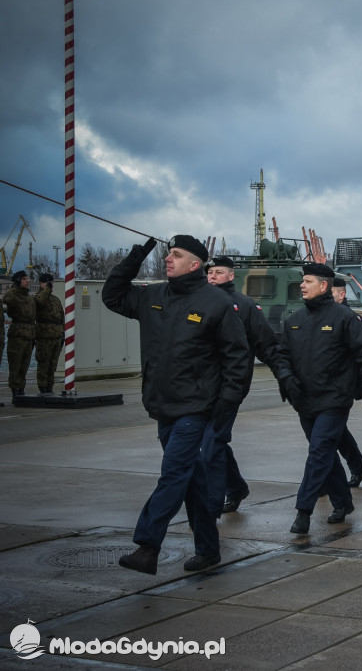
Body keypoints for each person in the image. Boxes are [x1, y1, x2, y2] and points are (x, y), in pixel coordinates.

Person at [102, 235, 249, 574]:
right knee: (192, 479)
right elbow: (112, 296)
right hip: (162, 404)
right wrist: (136, 257)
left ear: (195, 264)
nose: (168, 258)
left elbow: (237, 358)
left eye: (177, 255)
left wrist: (225, 404)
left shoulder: (216, 303)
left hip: (196, 408)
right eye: (168, 253)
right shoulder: (153, 296)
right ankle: (209, 550)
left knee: (173, 473)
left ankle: (147, 546)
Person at [277, 262, 362, 535]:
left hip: (335, 399)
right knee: (325, 453)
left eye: (308, 281)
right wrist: (287, 379)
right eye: (302, 281)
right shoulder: (294, 320)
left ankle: (303, 511)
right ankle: (343, 502)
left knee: (319, 451)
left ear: (324, 285)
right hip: (304, 400)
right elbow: (282, 355)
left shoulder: (344, 318)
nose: (302, 285)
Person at [202, 257, 291, 515]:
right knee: (211, 444)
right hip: (197, 387)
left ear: (231, 276)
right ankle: (236, 487)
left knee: (211, 445)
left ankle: (211, 507)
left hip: (229, 387)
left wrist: (284, 375)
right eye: (210, 272)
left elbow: (266, 344)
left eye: (218, 272)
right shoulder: (197, 301)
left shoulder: (244, 305)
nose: (212, 277)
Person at [331, 276, 362, 488]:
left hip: (341, 387)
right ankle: (358, 468)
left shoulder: (351, 319)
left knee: (327, 437)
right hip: (318, 386)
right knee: (336, 433)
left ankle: (323, 480)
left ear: (341, 295)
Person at [3, 270, 35, 397]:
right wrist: (15, 287)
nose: (27, 281)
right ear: (18, 281)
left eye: (27, 278)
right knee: (15, 364)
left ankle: (21, 389)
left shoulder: (29, 297)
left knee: (25, 365)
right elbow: (6, 299)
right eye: (24, 279)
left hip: (29, 333)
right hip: (17, 334)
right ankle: (15, 391)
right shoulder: (13, 295)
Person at [33, 273, 64, 394]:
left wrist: (63, 333)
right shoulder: (38, 297)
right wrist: (46, 290)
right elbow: (39, 302)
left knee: (53, 364)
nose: (51, 285)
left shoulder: (55, 299)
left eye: (52, 282)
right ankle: (42, 387)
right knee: (43, 363)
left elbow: (61, 316)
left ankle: (50, 386)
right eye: (48, 282)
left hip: (56, 336)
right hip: (44, 336)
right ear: (42, 283)